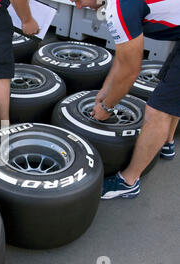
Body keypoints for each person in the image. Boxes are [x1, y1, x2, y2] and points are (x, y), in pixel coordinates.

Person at [71, 0, 179, 199]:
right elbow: (123, 59)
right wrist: (105, 90)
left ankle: (128, 182)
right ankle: (167, 141)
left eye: (77, 0)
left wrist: (106, 106)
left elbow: (131, 70)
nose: (77, 6)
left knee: (158, 111)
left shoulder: (119, 7)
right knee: (170, 88)